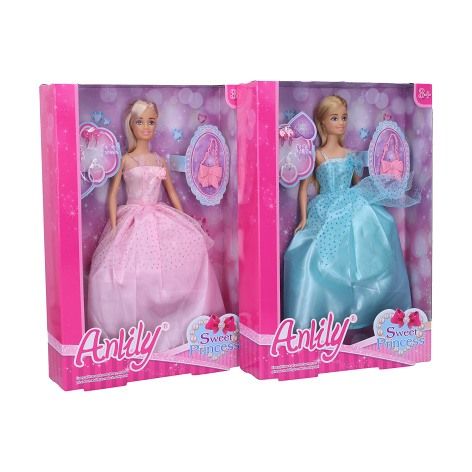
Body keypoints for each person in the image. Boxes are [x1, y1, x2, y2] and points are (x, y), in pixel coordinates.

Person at [87, 99, 225, 351]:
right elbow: (113, 195)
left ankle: (184, 325)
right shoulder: (126, 160)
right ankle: (129, 331)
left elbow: (171, 193)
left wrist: (186, 221)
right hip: (132, 219)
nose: (146, 127)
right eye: (140, 122)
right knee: (124, 273)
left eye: (151, 122)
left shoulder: (159, 161)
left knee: (178, 264)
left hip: (159, 216)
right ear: (131, 124)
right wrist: (115, 228)